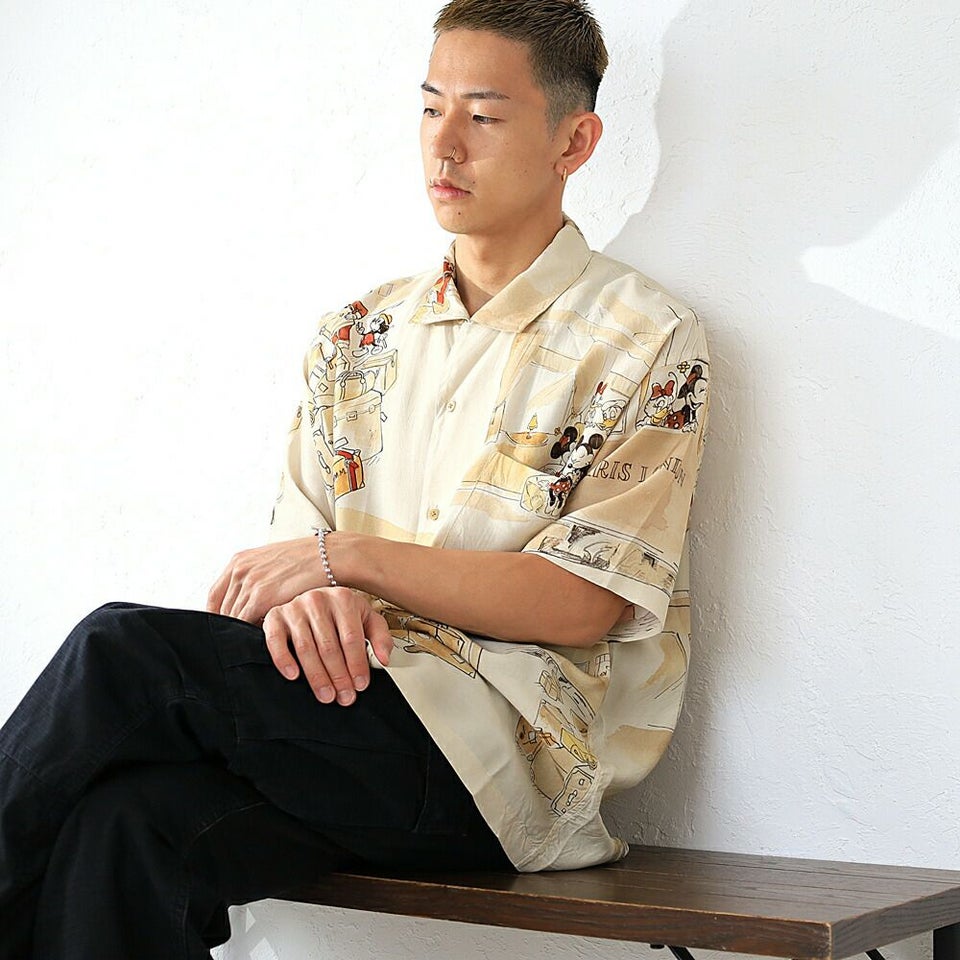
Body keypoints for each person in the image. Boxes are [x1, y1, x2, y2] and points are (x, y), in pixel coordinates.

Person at [0, 0, 710, 957]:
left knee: (121, 653)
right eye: (430, 108)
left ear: (573, 142)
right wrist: (312, 593)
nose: (444, 145)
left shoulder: (645, 339)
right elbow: (290, 561)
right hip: (336, 714)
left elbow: (584, 603)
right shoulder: (358, 334)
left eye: (483, 116)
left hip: (495, 763)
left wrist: (352, 562)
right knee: (124, 827)